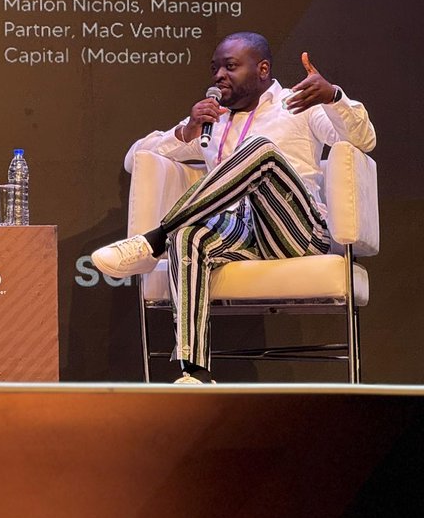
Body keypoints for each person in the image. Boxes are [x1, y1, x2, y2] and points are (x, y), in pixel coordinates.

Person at [91, 32, 375, 383]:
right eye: (215, 69)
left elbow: (364, 139)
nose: (218, 76)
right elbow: (136, 158)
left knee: (261, 150)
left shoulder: (297, 105)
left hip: (296, 231)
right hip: (240, 236)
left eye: (230, 66)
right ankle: (194, 372)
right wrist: (187, 131)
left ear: (262, 69)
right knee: (189, 235)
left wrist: (333, 97)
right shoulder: (214, 122)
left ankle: (154, 238)